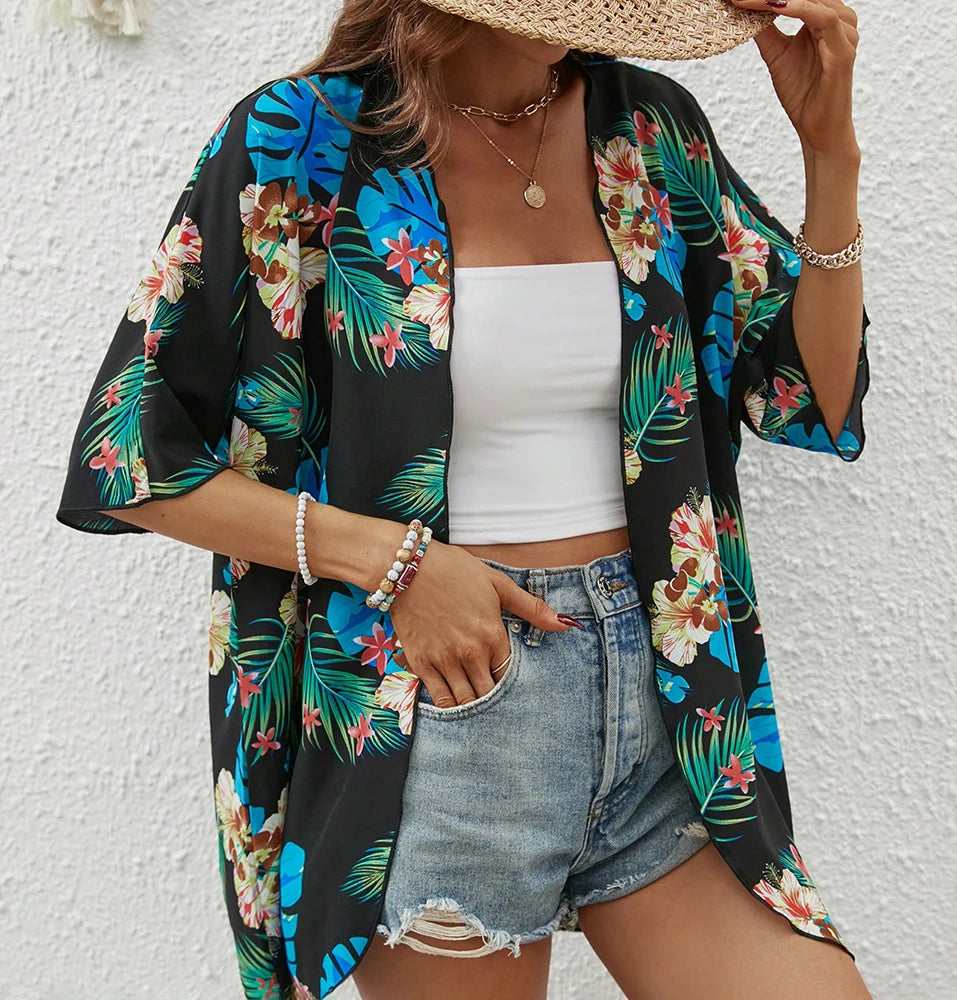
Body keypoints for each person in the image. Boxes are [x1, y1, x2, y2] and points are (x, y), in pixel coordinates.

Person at [55, 1, 875, 997]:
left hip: (667, 698)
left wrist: (829, 154)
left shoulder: (649, 127)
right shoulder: (299, 141)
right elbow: (127, 461)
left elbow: (810, 391)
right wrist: (392, 564)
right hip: (441, 711)